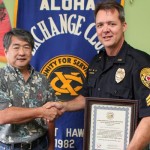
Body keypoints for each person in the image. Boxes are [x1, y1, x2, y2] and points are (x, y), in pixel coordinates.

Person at [50, 0, 150, 149]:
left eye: (112, 24)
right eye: (100, 25)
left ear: (124, 26)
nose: (105, 29)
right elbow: (87, 98)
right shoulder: (96, 62)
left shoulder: (140, 62)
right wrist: (64, 106)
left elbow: (148, 116)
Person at [0, 28, 61, 150]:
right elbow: (4, 116)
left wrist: (51, 145)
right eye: (16, 47)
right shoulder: (1, 78)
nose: (22, 53)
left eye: (26, 47)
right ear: (6, 51)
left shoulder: (42, 79)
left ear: (32, 51)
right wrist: (41, 111)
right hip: (9, 147)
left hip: (40, 144)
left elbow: (50, 115)